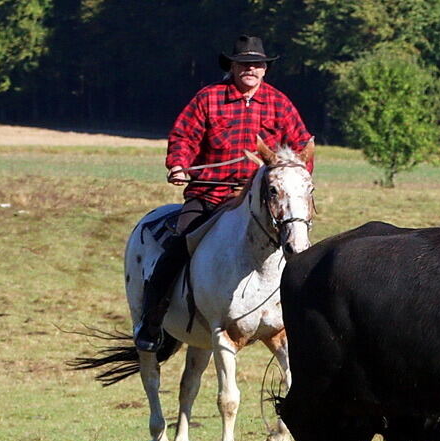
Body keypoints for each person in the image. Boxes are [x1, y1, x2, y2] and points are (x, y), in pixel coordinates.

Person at [133, 34, 314, 352]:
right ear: (232, 66)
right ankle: (152, 320)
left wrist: (296, 180)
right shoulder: (208, 98)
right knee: (178, 244)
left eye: (257, 64)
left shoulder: (279, 103)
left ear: (265, 69)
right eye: (244, 63)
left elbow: (301, 148)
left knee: (300, 248)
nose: (251, 69)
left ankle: (302, 322)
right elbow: (183, 136)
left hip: (262, 203)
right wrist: (179, 164)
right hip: (210, 196)